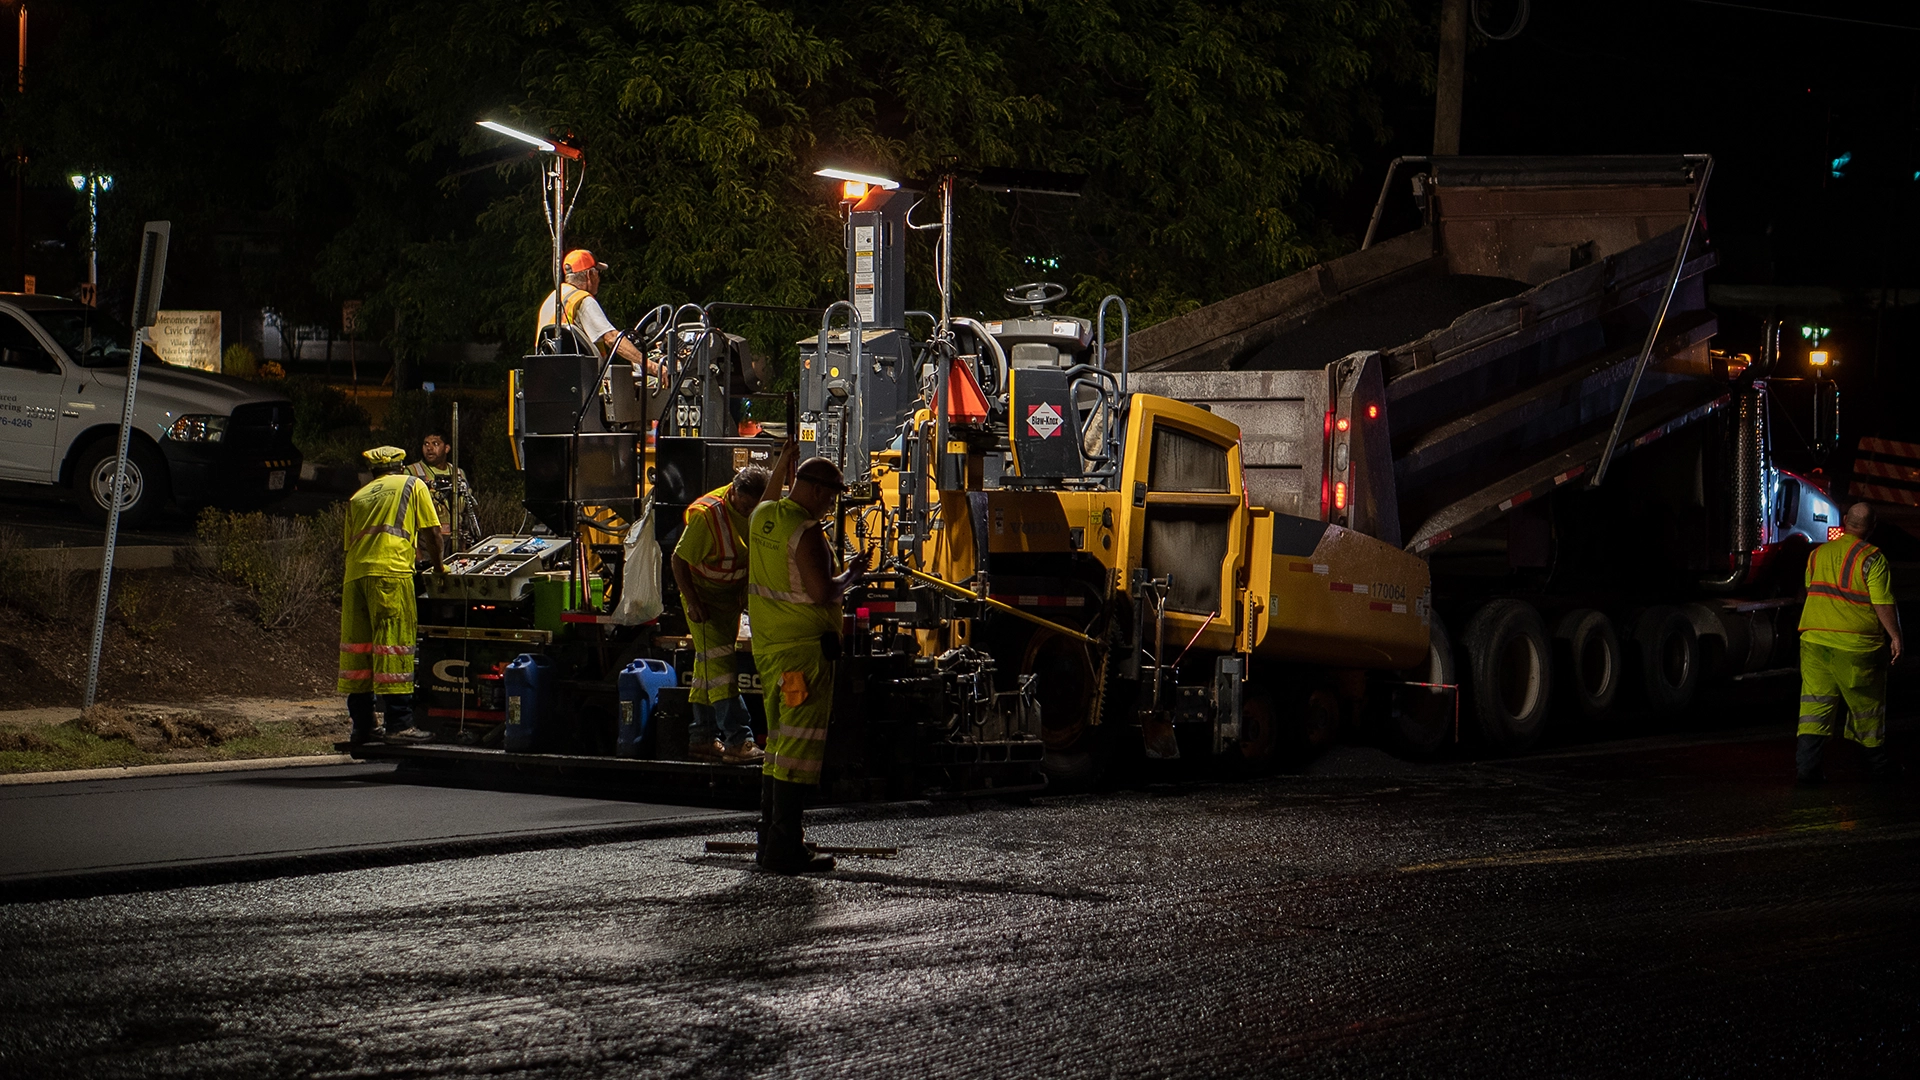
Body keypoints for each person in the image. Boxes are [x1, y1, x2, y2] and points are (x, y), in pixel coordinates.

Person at [747, 445, 857, 874]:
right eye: (829, 494)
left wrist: (781, 462)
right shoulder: (806, 531)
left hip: (770, 650)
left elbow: (767, 498)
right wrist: (851, 576)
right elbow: (820, 591)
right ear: (810, 489)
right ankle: (784, 848)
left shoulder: (763, 517)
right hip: (805, 655)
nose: (831, 503)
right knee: (797, 752)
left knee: (778, 747)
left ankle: (769, 840)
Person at [340, 446, 445, 745]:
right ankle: (399, 724)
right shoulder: (413, 484)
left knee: (359, 651)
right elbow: (432, 533)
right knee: (393, 645)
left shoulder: (358, 497)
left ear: (374, 471)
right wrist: (438, 567)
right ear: (400, 467)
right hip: (390, 573)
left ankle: (363, 725)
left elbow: (350, 545)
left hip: (355, 576)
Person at [1797, 501, 1904, 783]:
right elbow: (1882, 602)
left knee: (1814, 707)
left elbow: (1811, 589)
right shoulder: (1873, 558)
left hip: (1814, 640)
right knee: (1866, 707)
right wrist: (1895, 635)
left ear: (1845, 520)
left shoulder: (1818, 554)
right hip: (1856, 646)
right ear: (1872, 527)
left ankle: (1807, 771)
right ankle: (1879, 769)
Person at [671, 464, 771, 765]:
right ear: (734, 492)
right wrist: (692, 602)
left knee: (708, 669)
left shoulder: (760, 509)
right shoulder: (708, 515)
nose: (749, 511)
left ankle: (701, 738)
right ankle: (739, 740)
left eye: (755, 506)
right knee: (722, 669)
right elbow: (678, 560)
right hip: (705, 603)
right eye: (745, 505)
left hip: (730, 599)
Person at [534, 249, 666, 381]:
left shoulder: (552, 300)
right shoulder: (582, 300)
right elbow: (612, 338)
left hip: (553, 378)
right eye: (598, 273)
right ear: (589, 275)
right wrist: (651, 366)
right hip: (585, 381)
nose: (599, 278)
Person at [407, 432, 482, 553]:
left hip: (456, 540)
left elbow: (467, 509)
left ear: (446, 448)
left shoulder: (458, 473)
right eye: (426, 444)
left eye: (435, 444)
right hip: (427, 542)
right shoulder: (412, 472)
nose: (429, 448)